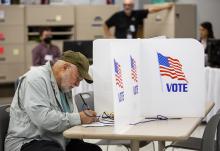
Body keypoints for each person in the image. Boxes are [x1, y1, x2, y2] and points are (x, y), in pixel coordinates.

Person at [5, 51, 102, 151]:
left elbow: (66, 119)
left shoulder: (64, 86)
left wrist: (86, 118)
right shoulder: (35, 79)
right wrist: (79, 118)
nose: (77, 84)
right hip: (28, 140)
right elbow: (43, 119)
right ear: (65, 67)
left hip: (55, 139)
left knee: (93, 149)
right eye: (77, 78)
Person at [103, 0, 173, 39]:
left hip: (133, 43)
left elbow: (151, 10)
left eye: (129, 5)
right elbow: (106, 25)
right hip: (119, 43)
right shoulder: (117, 15)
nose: (127, 7)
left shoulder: (137, 14)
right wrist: (110, 37)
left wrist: (166, 7)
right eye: (125, 5)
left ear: (133, 6)